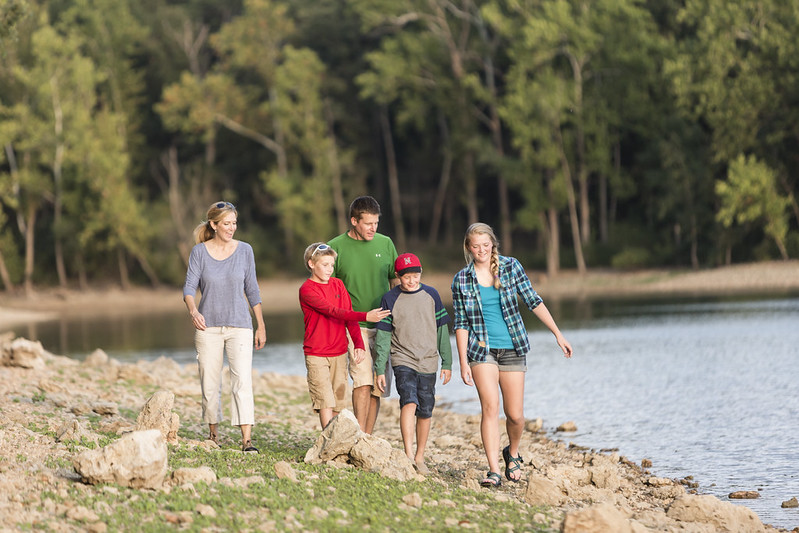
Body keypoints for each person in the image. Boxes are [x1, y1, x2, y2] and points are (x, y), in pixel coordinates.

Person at [451, 222, 573, 487]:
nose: (481, 250)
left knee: (516, 415)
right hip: (481, 350)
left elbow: (533, 300)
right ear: (468, 248)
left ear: (493, 244)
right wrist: (462, 362)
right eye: (476, 246)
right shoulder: (461, 279)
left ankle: (512, 453)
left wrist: (558, 334)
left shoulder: (511, 267)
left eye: (486, 245)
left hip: (513, 347)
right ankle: (494, 470)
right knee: (490, 408)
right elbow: (460, 323)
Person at [183, 201, 266, 452]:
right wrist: (193, 311)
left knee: (242, 382)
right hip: (207, 327)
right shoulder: (199, 253)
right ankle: (213, 435)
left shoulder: (245, 251)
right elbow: (188, 289)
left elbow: (252, 289)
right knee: (210, 381)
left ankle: (247, 440)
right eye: (227, 224)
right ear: (214, 225)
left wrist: (260, 325)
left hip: (240, 325)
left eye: (234, 223)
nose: (232, 228)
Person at [374, 253, 452, 475]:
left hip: (428, 360)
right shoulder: (389, 298)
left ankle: (420, 457)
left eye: (415, 276)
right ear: (398, 276)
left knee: (426, 410)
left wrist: (447, 362)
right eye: (406, 277)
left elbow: (442, 332)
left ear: (421, 274)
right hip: (402, 358)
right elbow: (383, 336)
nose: (411, 281)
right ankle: (408, 455)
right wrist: (380, 368)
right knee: (409, 401)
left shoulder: (432, 295)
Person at [299, 242, 390, 429]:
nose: (329, 269)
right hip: (316, 352)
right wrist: (366, 315)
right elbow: (333, 311)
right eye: (325, 265)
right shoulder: (307, 290)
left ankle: (335, 437)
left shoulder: (338, 285)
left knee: (338, 401)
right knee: (325, 399)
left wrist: (358, 344)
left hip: (339, 351)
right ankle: (328, 440)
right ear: (311, 264)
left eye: (332, 265)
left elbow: (349, 315)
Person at [328, 196, 398, 433]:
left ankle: (366, 436)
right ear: (354, 221)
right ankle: (358, 433)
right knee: (362, 379)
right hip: (353, 325)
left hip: (383, 325)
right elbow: (328, 289)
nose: (373, 228)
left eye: (376, 223)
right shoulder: (335, 247)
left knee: (378, 383)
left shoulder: (385, 243)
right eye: (368, 223)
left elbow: (395, 281)